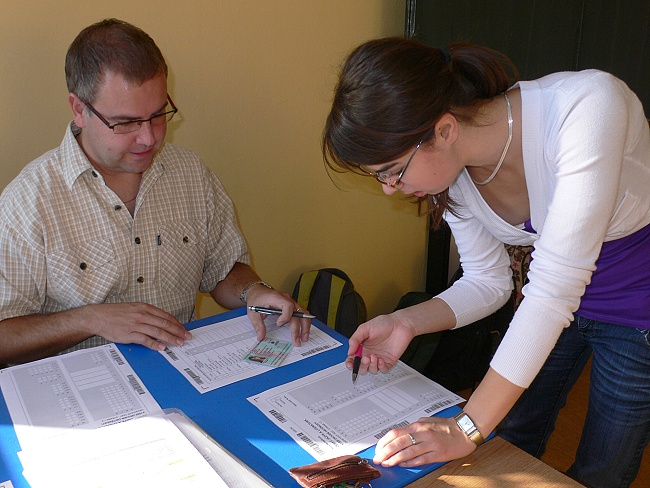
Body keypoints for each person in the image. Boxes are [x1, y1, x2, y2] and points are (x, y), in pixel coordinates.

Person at [322, 36, 650, 488]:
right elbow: (488, 281)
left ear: (444, 129)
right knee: (512, 433)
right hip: (551, 299)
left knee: (603, 468)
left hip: (638, 304)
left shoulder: (587, 107)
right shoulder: (454, 173)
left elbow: (554, 290)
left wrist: (467, 426)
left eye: (392, 171)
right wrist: (407, 321)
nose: (389, 189)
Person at [0, 18, 310, 366]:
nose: (149, 138)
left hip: (186, 372)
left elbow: (222, 269)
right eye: (127, 122)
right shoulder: (27, 203)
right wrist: (89, 319)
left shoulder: (191, 174)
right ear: (79, 109)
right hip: (84, 391)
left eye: (159, 114)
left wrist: (253, 292)